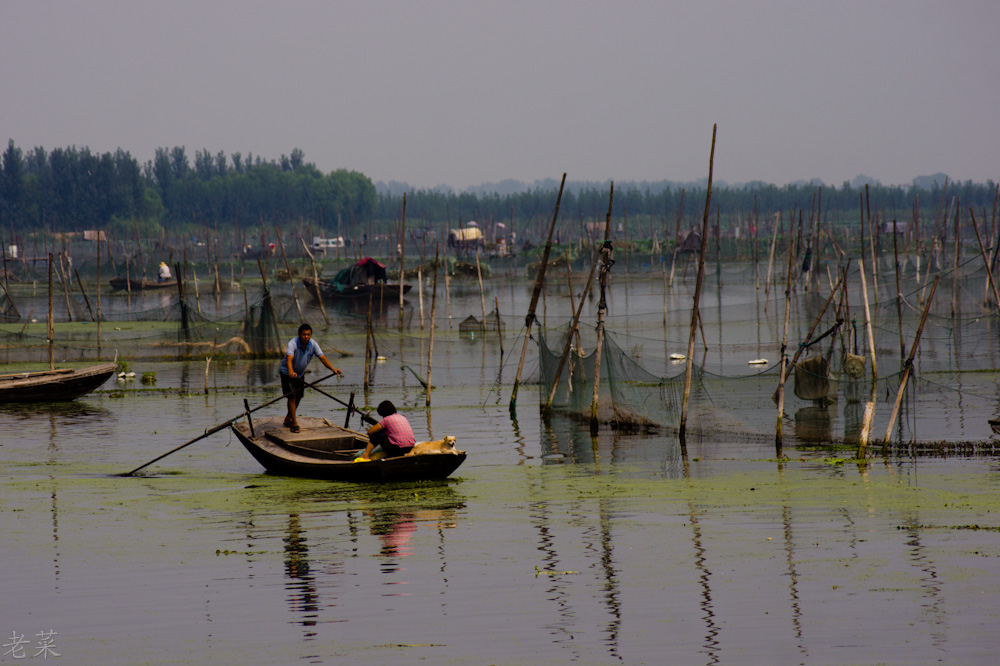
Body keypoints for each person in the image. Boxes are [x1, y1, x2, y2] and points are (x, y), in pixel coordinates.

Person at [279, 323, 341, 432]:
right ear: (299, 335)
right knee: (292, 396)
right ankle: (294, 424)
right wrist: (290, 372)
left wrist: (333, 369)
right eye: (304, 334)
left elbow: (322, 358)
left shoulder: (313, 344)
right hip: (287, 373)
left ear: (311, 335)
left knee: (298, 397)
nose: (306, 337)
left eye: (308, 334)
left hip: (300, 373)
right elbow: (289, 359)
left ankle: (288, 418)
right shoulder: (292, 343)